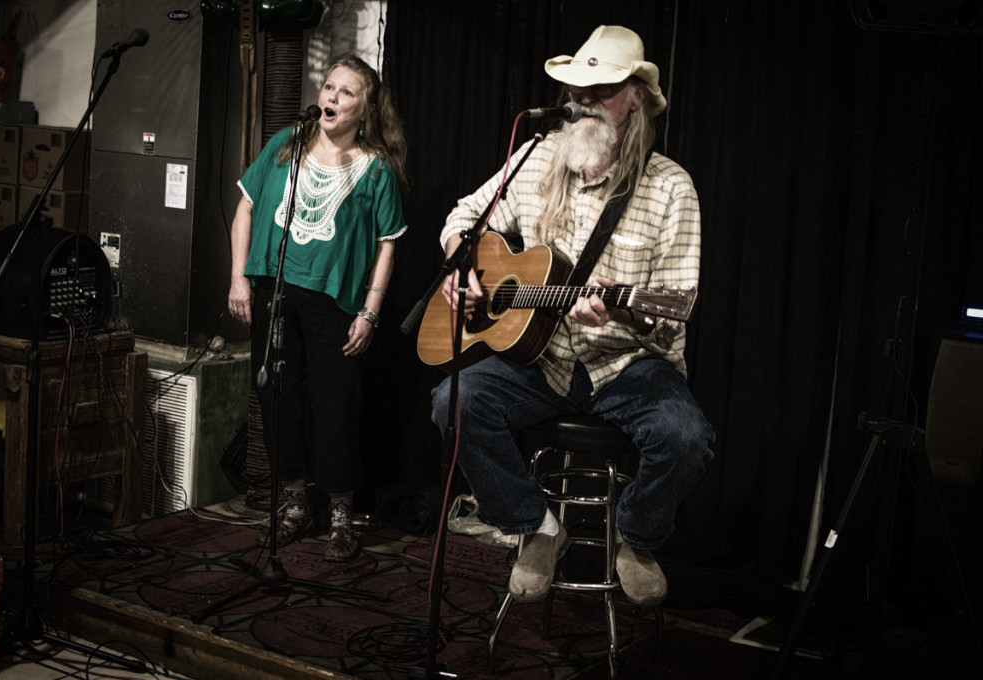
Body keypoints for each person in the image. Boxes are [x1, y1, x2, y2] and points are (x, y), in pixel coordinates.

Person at [430, 26, 714, 604]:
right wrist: (461, 268)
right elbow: (464, 216)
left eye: (600, 89)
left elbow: (671, 311)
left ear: (635, 96)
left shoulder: (670, 188)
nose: (581, 101)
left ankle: (634, 536)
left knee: (686, 438)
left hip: (630, 366)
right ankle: (536, 526)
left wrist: (626, 315)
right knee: (452, 400)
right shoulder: (536, 160)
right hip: (543, 361)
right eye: (574, 88)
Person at [228, 54, 408, 562]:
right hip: (275, 292)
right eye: (328, 87)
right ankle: (293, 507)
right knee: (277, 400)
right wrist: (239, 277)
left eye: (346, 92)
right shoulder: (286, 146)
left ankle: (341, 518)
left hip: (335, 304)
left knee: (336, 408)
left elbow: (387, 244)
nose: (331, 97)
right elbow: (244, 207)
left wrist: (370, 313)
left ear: (366, 109)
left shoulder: (375, 170)